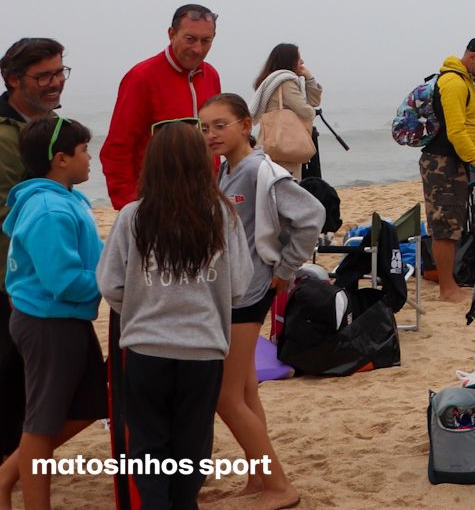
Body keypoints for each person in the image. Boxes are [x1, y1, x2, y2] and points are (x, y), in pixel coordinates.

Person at [98, 120, 260, 509]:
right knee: (191, 445)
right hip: (202, 348)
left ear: (151, 164)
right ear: (202, 162)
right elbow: (240, 285)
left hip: (146, 348)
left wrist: (141, 306)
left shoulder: (133, 216)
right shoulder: (222, 216)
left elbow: (110, 284)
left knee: (148, 444)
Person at [200, 93, 322, 507]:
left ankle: (279, 486)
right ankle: (259, 476)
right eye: (205, 127)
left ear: (245, 125)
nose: (211, 134)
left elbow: (310, 216)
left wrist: (285, 269)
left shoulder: (258, 169)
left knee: (225, 396)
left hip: (248, 293)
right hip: (233, 291)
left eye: (220, 125)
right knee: (246, 389)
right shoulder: (225, 170)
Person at [0, 117, 102, 510]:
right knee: (41, 424)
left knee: (92, 404)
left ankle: (6, 473)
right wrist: (111, 282)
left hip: (67, 318)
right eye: (83, 151)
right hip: (49, 321)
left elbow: (92, 255)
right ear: (61, 159)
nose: (90, 158)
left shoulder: (68, 198)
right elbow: (63, 279)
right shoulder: (47, 208)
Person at [0, 39, 69, 465]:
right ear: (13, 80)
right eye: (44, 76)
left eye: (60, 72)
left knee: (31, 379)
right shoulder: (4, 134)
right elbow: (8, 211)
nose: (55, 82)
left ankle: (19, 464)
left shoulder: (53, 124)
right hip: (11, 277)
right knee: (9, 375)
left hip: (40, 276)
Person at [102, 5, 223, 210]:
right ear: (171, 34)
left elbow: (215, 142)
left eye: (206, 41)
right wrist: (130, 208)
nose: (198, 49)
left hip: (203, 200)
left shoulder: (211, 75)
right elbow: (116, 149)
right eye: (190, 39)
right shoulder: (142, 77)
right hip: (155, 203)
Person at [419, 36, 475, 304]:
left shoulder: (465, 80)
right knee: (444, 226)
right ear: (473, 56)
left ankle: (451, 283)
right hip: (441, 161)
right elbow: (455, 133)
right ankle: (447, 289)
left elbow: (459, 122)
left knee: (453, 223)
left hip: (451, 161)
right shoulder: (454, 82)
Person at [248, 44, 322, 181]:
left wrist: (309, 79)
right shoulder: (285, 82)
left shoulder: (271, 80)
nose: (302, 62)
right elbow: (307, 111)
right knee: (288, 185)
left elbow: (313, 102)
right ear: (290, 60)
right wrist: (313, 111)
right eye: (299, 59)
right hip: (285, 144)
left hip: (269, 141)